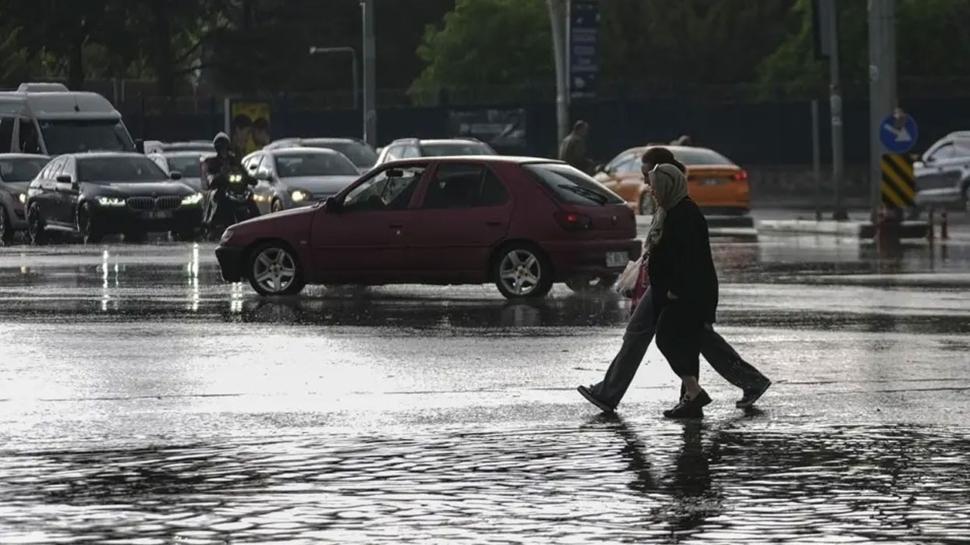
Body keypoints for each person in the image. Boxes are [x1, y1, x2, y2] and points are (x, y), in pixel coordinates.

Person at [577, 148, 770, 416]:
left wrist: (672, 290)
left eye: (649, 177)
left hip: (674, 287)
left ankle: (612, 393)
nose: (646, 183)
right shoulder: (668, 206)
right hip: (669, 285)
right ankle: (721, 389)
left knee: (653, 335)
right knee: (695, 337)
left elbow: (687, 259)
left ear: (663, 175)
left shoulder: (682, 211)